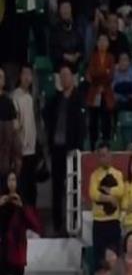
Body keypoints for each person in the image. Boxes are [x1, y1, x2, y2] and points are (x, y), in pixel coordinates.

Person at [44, 65, 86, 234]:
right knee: (56, 187)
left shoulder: (79, 99)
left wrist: (77, 149)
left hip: (72, 151)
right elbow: (47, 117)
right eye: (61, 76)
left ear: (72, 78)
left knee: (72, 186)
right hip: (57, 148)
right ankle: (57, 224)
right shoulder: (55, 99)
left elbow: (81, 127)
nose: (64, 79)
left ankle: (73, 223)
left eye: (67, 75)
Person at [0, 171, 42, 275]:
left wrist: (22, 207)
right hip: (2, 252)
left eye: (14, 180)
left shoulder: (23, 203)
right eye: (9, 180)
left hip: (17, 253)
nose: (12, 183)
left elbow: (37, 226)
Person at [89, 143, 124, 265]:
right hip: (99, 222)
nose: (103, 158)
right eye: (100, 156)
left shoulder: (118, 174)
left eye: (105, 155)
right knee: (99, 260)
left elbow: (121, 191)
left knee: (115, 258)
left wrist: (108, 190)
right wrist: (110, 199)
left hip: (113, 221)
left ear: (110, 155)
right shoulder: (94, 175)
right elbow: (93, 194)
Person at [12, 65, 37, 206]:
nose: (27, 77)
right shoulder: (15, 96)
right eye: (24, 74)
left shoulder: (31, 97)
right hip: (20, 150)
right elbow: (15, 125)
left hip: (32, 150)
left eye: (30, 74)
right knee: (21, 187)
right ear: (20, 76)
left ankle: (31, 215)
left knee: (31, 188)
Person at [86, 34, 115, 151]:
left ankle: (106, 144)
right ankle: (92, 145)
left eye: (105, 40)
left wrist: (99, 73)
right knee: (93, 120)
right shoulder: (93, 57)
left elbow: (111, 75)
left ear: (108, 44)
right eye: (100, 40)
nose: (102, 43)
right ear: (97, 43)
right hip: (94, 91)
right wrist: (104, 71)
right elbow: (91, 73)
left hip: (106, 92)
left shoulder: (111, 57)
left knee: (106, 120)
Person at [50, 1, 84, 75]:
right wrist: (66, 56)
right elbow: (53, 50)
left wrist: (77, 55)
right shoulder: (55, 29)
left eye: (67, 8)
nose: (66, 11)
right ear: (60, 11)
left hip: (75, 67)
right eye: (63, 8)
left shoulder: (76, 27)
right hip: (60, 67)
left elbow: (81, 47)